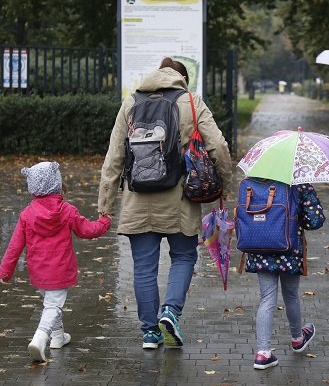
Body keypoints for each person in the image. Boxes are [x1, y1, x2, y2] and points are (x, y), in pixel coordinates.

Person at [97, 58, 232, 350]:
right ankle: (170, 312)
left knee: (144, 267)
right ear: (181, 78)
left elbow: (114, 157)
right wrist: (226, 185)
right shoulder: (191, 102)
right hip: (179, 199)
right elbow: (218, 146)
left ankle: (149, 333)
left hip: (137, 200)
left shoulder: (130, 102)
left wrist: (105, 205)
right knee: (183, 257)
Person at [0, 161, 111, 362]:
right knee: (53, 306)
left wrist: (5, 271)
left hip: (38, 271)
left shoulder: (27, 214)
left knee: (50, 302)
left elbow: (15, 246)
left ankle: (58, 337)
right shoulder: (66, 210)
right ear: (56, 183)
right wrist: (104, 222)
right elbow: (86, 230)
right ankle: (40, 338)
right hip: (59, 270)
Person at [242, 182, 325, 369]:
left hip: (259, 246)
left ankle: (263, 354)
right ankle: (297, 338)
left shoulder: (253, 182)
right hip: (288, 249)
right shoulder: (299, 184)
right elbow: (315, 221)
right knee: (291, 295)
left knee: (266, 299)